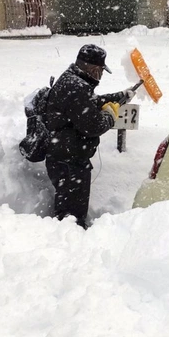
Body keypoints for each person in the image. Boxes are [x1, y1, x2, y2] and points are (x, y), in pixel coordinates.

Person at [44, 44, 128, 228]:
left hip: (65, 157)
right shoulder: (77, 87)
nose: (101, 75)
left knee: (70, 213)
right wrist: (110, 117)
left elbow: (90, 102)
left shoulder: (72, 81)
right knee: (71, 218)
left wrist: (118, 96)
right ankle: (71, 247)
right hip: (69, 163)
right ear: (93, 69)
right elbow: (93, 125)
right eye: (101, 71)